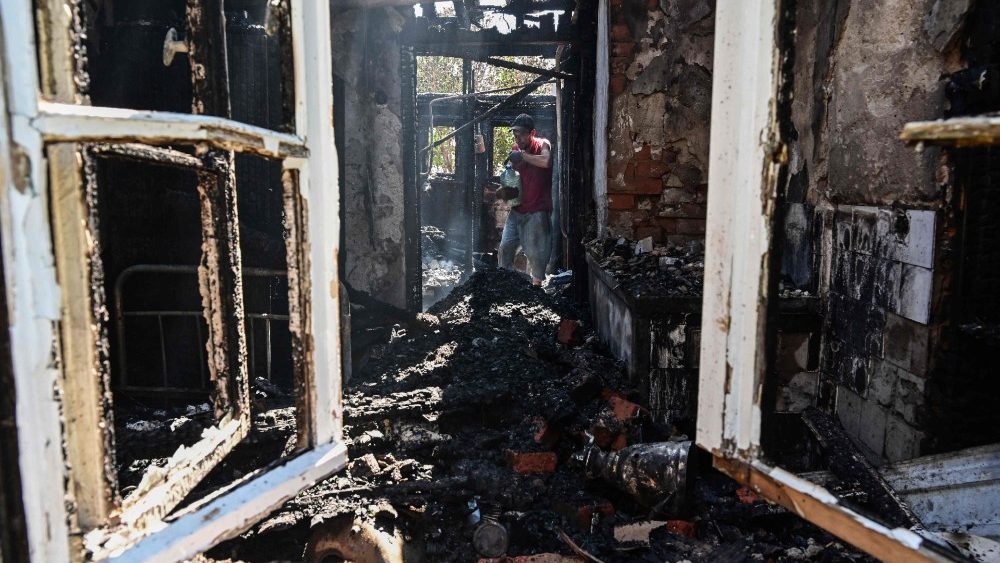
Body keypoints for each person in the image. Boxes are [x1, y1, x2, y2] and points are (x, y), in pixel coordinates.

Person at [497, 113, 552, 286]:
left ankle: (536, 291)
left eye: (521, 133)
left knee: (536, 255)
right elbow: (516, 181)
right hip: (517, 211)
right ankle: (505, 285)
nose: (517, 137)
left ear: (532, 132)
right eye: (515, 134)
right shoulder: (515, 149)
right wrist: (504, 190)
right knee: (505, 247)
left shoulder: (543, 144)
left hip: (536, 211)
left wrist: (523, 156)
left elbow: (546, 162)